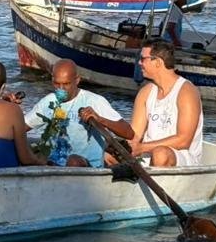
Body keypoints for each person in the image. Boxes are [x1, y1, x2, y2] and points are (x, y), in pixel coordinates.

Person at [119, 39, 204, 167]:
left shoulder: (187, 91)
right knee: (109, 155)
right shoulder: (145, 92)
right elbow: (135, 135)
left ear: (158, 62)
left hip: (182, 157)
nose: (139, 62)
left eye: (143, 59)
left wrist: (142, 148)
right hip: (148, 154)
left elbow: (184, 141)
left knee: (160, 154)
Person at [24, 60, 124, 167]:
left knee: (73, 161)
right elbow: (20, 127)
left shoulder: (94, 101)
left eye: (66, 84)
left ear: (77, 80)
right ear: (52, 80)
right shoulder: (48, 102)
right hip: (55, 166)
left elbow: (128, 132)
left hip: (85, 167)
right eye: (57, 83)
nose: (61, 89)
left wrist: (100, 120)